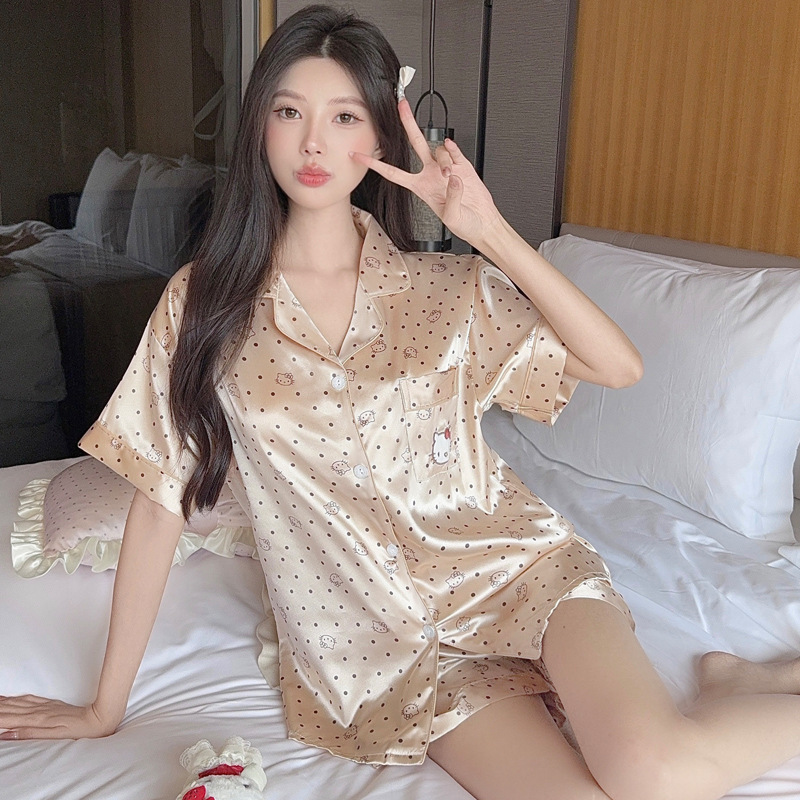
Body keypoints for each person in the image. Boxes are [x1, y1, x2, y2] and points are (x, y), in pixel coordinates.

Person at [2, 6, 800, 800]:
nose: (314, 143)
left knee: (653, 774)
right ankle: (733, 692)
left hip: (519, 572)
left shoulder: (446, 288)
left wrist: (487, 229)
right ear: (260, 130)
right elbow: (160, 498)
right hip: (379, 650)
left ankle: (736, 690)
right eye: (290, 112)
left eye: (344, 116)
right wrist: (104, 709)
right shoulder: (204, 303)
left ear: (380, 138)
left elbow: (617, 367)